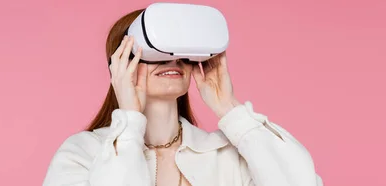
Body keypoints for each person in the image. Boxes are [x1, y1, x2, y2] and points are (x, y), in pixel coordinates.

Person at [42, 8, 322, 186]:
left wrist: (230, 110)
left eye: (178, 54)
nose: (171, 61)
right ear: (119, 64)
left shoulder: (225, 156)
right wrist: (128, 123)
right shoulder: (83, 153)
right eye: (154, 53)